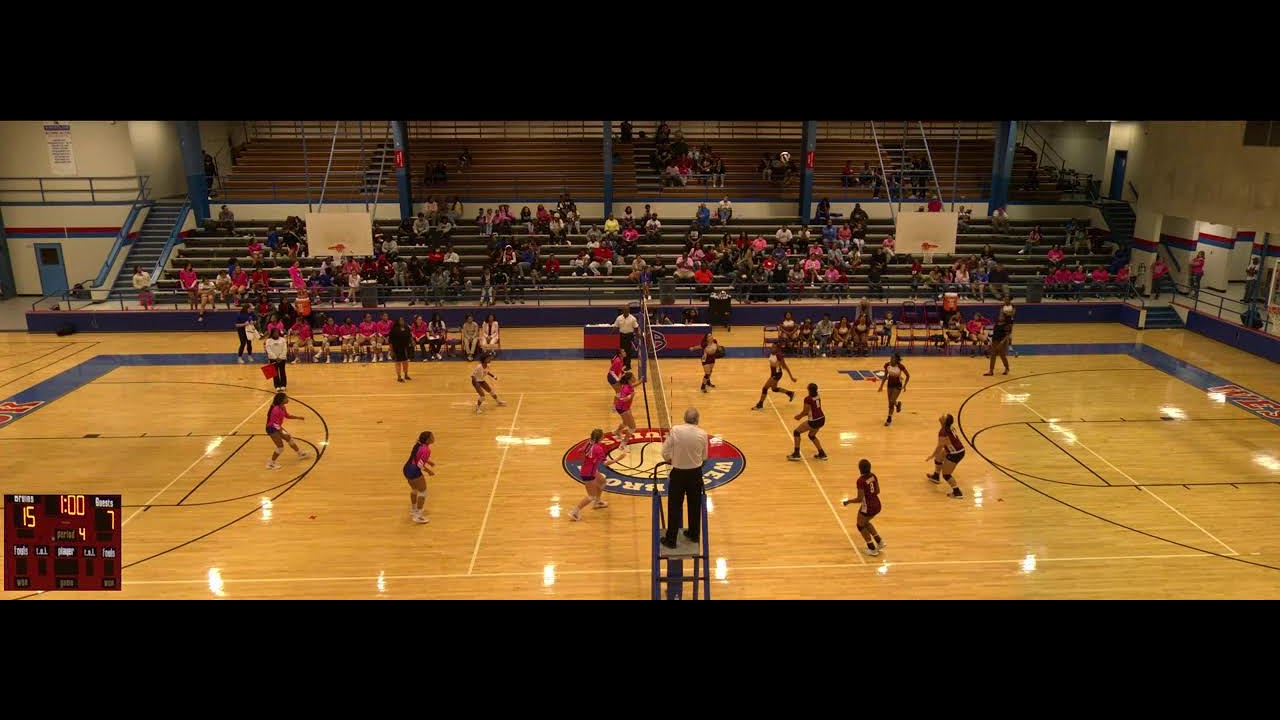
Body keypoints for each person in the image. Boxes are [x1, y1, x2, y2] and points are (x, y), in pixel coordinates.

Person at [661, 407, 709, 548]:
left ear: (684, 418)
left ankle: (671, 540)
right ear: (697, 419)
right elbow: (705, 457)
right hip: (695, 474)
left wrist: (671, 460)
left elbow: (664, 451)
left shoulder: (675, 430)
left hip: (678, 474)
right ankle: (694, 534)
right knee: (694, 505)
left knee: (674, 506)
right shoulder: (703, 434)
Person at [567, 428, 618, 522]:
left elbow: (580, 451)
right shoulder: (598, 449)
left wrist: (589, 459)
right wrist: (617, 459)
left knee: (602, 482)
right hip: (588, 473)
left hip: (590, 469)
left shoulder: (588, 442)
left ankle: (598, 502)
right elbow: (605, 463)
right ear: (601, 438)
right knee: (591, 496)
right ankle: (574, 512)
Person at [841, 458, 886, 556]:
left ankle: (872, 548)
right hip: (877, 504)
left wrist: (848, 501)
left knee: (860, 525)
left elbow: (860, 499)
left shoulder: (860, 480)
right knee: (866, 523)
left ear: (860, 469)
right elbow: (877, 490)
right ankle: (879, 541)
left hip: (868, 506)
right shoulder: (873, 476)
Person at [264, 392, 310, 470]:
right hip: (271, 428)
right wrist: (281, 431)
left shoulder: (282, 407)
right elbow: (275, 424)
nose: (288, 399)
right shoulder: (276, 410)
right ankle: (271, 463)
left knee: (289, 438)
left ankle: (300, 454)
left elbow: (287, 416)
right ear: (281, 400)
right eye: (286, 398)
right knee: (280, 447)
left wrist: (298, 417)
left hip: (277, 427)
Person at [927, 413, 966, 499]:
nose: (941, 415)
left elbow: (940, 446)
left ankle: (957, 492)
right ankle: (936, 476)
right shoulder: (949, 428)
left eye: (944, 416)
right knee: (939, 458)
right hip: (953, 450)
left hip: (956, 453)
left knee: (946, 474)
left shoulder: (943, 432)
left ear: (944, 422)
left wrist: (932, 455)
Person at [789, 383, 829, 461]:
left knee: (796, 432)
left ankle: (796, 454)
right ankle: (822, 454)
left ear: (809, 390)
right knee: (811, 435)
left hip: (814, 420)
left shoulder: (808, 399)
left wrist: (799, 416)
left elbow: (805, 411)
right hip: (822, 419)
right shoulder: (817, 396)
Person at [402, 431, 435, 524]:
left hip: (406, 468)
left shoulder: (418, 443)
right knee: (423, 490)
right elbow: (420, 464)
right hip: (414, 470)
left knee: (414, 489)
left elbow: (417, 456)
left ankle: (413, 510)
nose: (434, 438)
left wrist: (428, 461)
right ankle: (418, 516)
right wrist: (429, 471)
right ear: (428, 440)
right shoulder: (427, 450)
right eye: (432, 437)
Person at [753, 343, 796, 410]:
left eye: (774, 347)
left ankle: (760, 405)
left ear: (777, 349)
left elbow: (785, 367)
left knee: (765, 388)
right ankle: (790, 393)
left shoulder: (779, 356)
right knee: (774, 389)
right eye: (772, 346)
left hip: (777, 374)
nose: (772, 348)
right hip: (773, 374)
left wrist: (791, 377)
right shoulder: (771, 353)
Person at [878, 352, 910, 426]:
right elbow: (885, 376)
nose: (891, 359)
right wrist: (881, 386)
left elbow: (908, 376)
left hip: (898, 385)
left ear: (896, 359)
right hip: (890, 384)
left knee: (892, 401)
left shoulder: (900, 366)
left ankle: (889, 418)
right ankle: (897, 405)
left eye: (893, 358)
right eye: (891, 357)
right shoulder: (887, 365)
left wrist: (905, 385)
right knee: (890, 402)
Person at [613, 370, 638, 453]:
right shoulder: (627, 388)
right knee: (632, 427)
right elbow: (623, 398)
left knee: (625, 422)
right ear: (630, 379)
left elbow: (633, 386)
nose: (635, 378)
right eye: (633, 377)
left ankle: (617, 432)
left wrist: (641, 381)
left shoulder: (628, 385)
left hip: (622, 407)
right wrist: (630, 396)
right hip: (623, 408)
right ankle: (622, 445)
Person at [613, 305, 640, 370]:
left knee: (628, 352)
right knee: (622, 351)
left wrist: (637, 336)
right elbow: (616, 326)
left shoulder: (633, 318)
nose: (625, 311)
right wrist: (612, 333)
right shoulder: (619, 318)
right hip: (622, 336)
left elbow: (636, 328)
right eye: (624, 310)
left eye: (627, 310)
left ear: (629, 311)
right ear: (622, 311)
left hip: (629, 336)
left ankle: (628, 366)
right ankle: (623, 363)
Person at [389, 317, 414, 382]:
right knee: (398, 363)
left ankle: (406, 375)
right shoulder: (393, 330)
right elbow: (390, 341)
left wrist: (412, 341)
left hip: (405, 348)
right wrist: (391, 350)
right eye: (400, 320)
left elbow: (410, 336)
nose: (402, 321)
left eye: (403, 320)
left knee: (405, 362)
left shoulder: (407, 328)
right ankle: (399, 377)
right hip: (397, 348)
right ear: (398, 321)